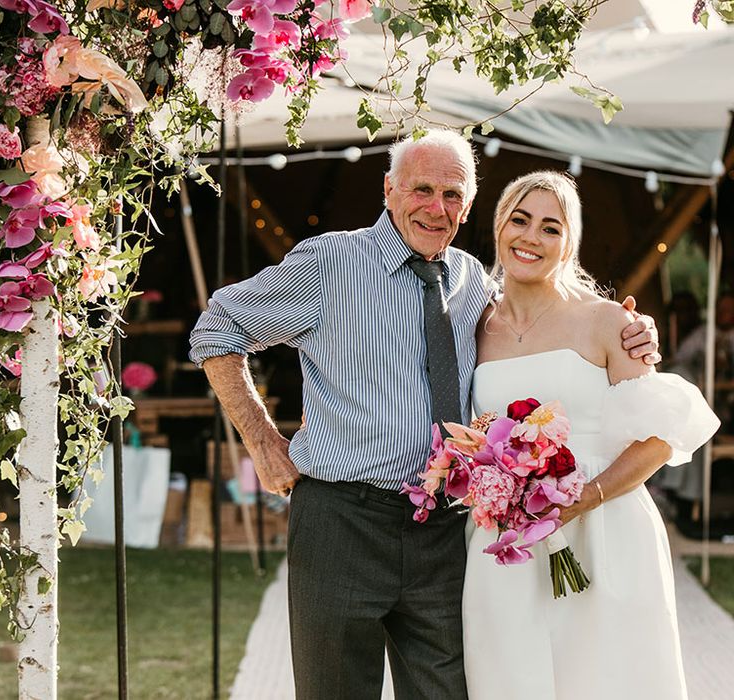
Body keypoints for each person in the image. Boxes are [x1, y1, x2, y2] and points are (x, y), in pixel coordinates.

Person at [189, 132, 659, 699]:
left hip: (443, 530)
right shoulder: (329, 264)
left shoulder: (472, 284)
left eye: (453, 194)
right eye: (422, 190)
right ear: (389, 190)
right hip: (342, 521)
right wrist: (261, 441)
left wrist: (626, 327)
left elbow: (542, 316)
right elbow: (218, 329)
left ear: (469, 205)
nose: (436, 208)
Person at [462, 171, 720, 700]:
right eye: (520, 219)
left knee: (605, 677)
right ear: (498, 226)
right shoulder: (473, 324)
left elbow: (659, 437)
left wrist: (588, 496)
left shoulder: (606, 322)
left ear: (568, 243)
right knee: (508, 675)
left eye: (550, 227)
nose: (531, 237)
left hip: (606, 530)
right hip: (508, 539)